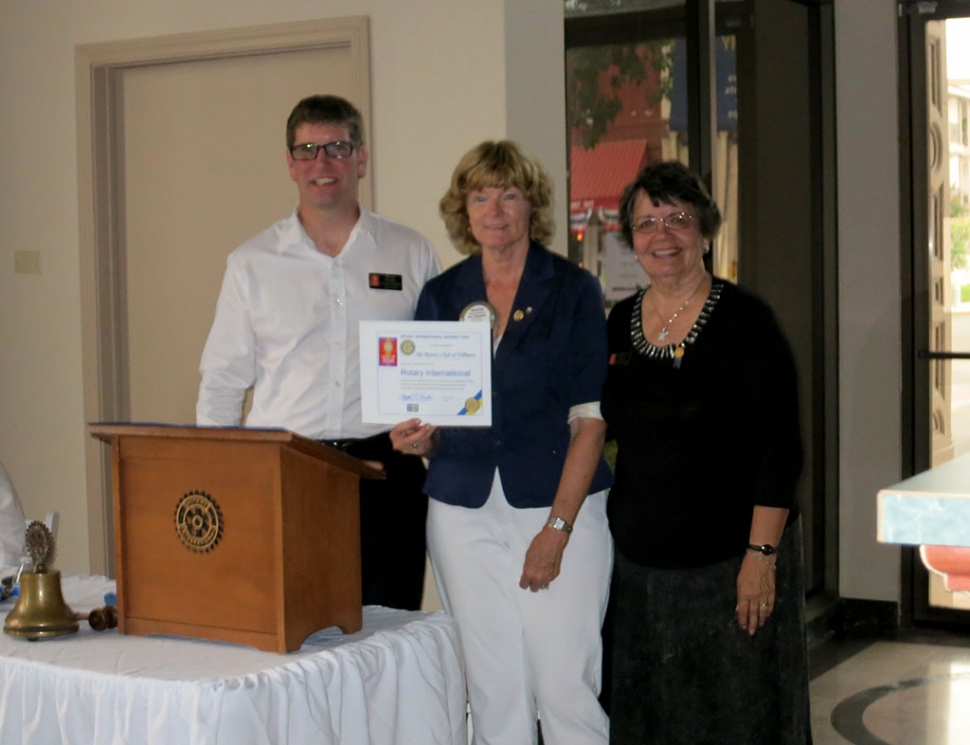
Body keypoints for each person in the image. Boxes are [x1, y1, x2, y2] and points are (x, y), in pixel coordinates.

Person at [389, 141, 613, 745]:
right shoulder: (441, 294)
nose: (495, 209)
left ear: (530, 204)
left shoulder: (572, 290)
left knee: (565, 686)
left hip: (555, 505)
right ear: (464, 208)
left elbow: (589, 420)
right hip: (461, 510)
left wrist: (557, 530)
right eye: (481, 195)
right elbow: (437, 415)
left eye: (509, 194)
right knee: (492, 687)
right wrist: (418, 439)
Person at [196, 94, 440, 611]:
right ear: (289, 163)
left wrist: (436, 432)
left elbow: (438, 368)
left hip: (385, 473)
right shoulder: (251, 264)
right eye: (307, 149)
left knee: (386, 643)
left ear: (361, 158)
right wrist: (222, 481)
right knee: (288, 636)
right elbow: (221, 384)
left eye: (337, 147)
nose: (322, 163)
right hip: (286, 472)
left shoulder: (410, 252)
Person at [601, 160, 812, 744]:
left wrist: (760, 557)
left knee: (740, 719)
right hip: (643, 574)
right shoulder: (619, 323)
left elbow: (781, 448)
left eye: (678, 219)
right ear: (632, 239)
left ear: (705, 230)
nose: (662, 235)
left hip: (733, 570)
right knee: (654, 720)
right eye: (646, 223)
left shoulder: (748, 322)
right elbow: (599, 425)